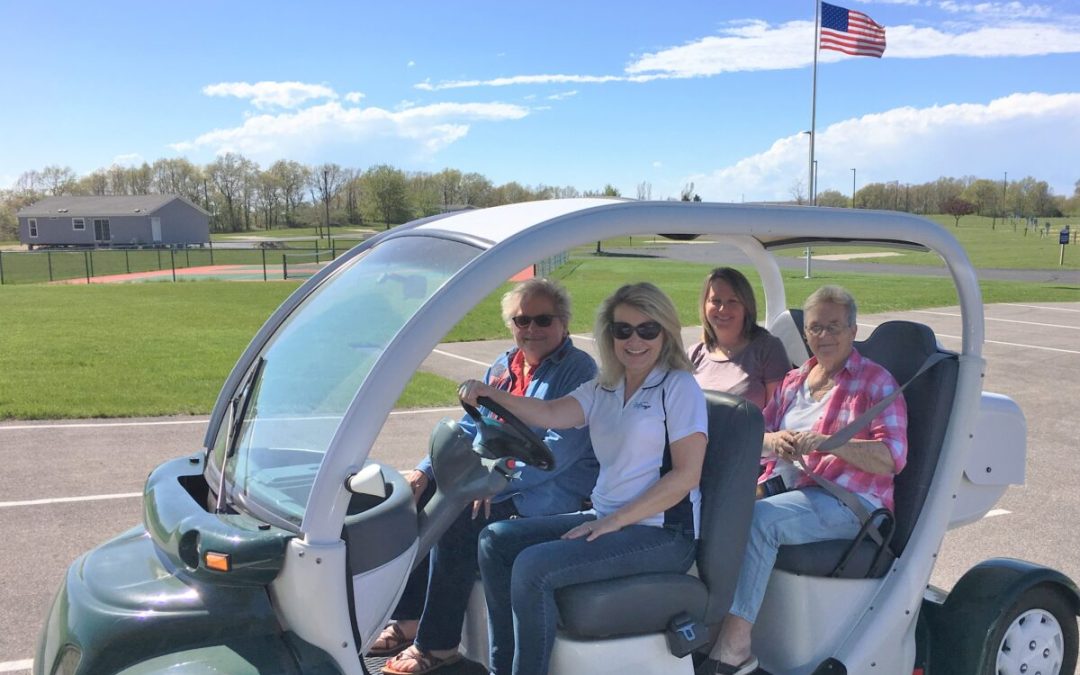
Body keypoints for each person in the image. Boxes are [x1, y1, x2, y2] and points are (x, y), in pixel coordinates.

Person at [466, 282, 708, 675]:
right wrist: (491, 395)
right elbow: (549, 413)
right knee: (495, 541)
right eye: (622, 330)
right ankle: (502, 667)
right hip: (606, 520)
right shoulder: (605, 386)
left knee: (532, 566)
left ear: (665, 332)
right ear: (609, 334)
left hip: (661, 534)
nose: (634, 340)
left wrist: (610, 522)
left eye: (648, 330)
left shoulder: (677, 387)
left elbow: (685, 476)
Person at [376, 278, 599, 675]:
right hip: (491, 480)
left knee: (459, 520)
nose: (531, 329)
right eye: (522, 320)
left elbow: (558, 453)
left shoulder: (579, 372)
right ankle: (409, 618)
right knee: (414, 502)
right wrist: (425, 471)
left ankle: (438, 645)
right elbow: (469, 426)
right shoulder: (505, 364)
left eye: (543, 320)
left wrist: (496, 484)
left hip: (545, 492)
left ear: (563, 323)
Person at [705, 285, 908, 675]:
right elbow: (756, 437)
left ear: (852, 330)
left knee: (761, 521)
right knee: (707, 507)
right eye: (816, 328)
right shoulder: (795, 380)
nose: (825, 337)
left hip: (852, 503)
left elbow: (891, 459)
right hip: (788, 489)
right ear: (806, 334)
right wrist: (772, 441)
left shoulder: (877, 383)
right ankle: (702, 623)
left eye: (834, 327)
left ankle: (735, 644)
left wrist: (832, 444)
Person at [687, 267, 789, 410]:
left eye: (732, 301)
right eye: (716, 301)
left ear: (746, 306)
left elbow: (778, 414)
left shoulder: (768, 349)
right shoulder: (694, 354)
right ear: (704, 305)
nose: (723, 309)